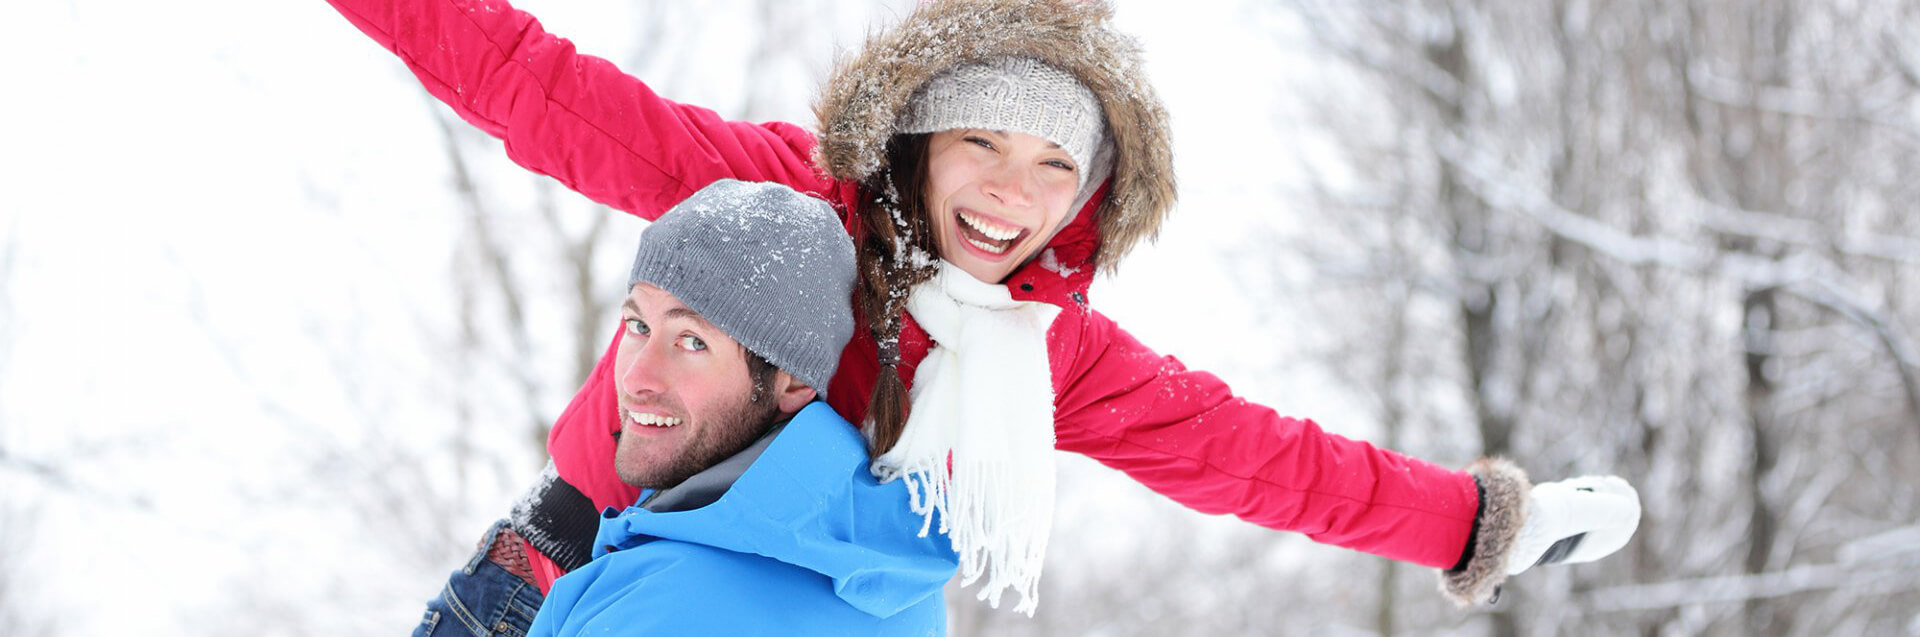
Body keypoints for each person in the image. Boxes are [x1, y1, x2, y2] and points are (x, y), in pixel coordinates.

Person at [323, 0, 1643, 625]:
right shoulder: (792, 196)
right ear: (916, 141)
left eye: (1055, 169)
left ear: (1090, 196)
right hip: (585, 555)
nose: (1014, 197)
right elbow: (538, 90)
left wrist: (1472, 520)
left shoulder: (1049, 356)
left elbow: (1259, 460)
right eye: (985, 149)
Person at [521, 178, 953, 636]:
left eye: (692, 341)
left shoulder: (652, 607)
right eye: (638, 326)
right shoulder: (897, 573)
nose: (635, 379)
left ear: (793, 382)